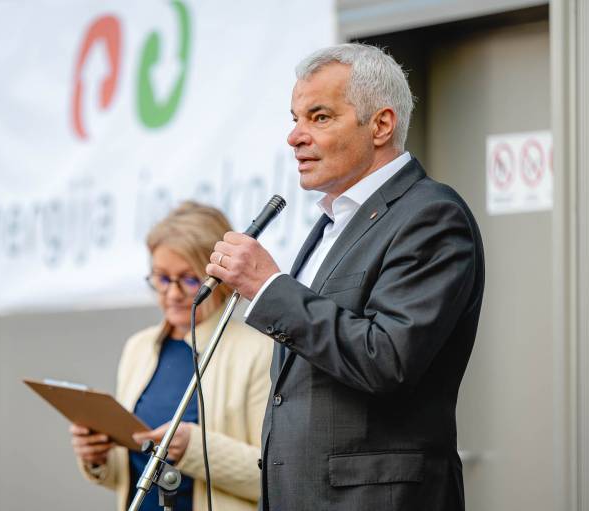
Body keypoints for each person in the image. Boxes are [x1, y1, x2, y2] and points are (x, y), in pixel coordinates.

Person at [205, 44, 485, 510]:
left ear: (381, 125)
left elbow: (387, 358)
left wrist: (269, 287)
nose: (295, 137)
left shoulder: (431, 216)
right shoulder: (333, 223)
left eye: (319, 117)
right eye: (294, 119)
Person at [70, 201, 272, 511]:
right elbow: (133, 474)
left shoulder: (259, 352)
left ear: (221, 280)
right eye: (162, 279)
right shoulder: (139, 348)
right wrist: (98, 457)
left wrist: (193, 448)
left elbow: (274, 474)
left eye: (189, 280)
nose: (173, 294)